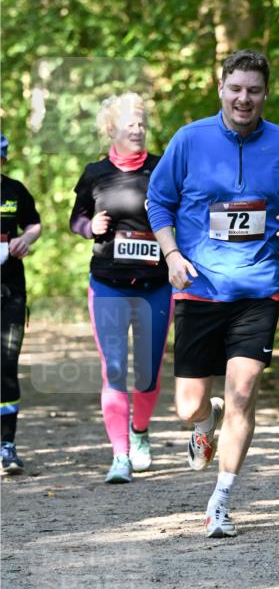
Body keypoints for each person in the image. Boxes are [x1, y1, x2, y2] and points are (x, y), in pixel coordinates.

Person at [147, 49, 279, 539]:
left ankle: (221, 500)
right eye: (236, 88)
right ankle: (204, 427)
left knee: (242, 394)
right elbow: (158, 201)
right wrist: (172, 255)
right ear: (220, 88)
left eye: (254, 90)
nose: (244, 98)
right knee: (187, 406)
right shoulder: (189, 140)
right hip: (200, 288)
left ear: (266, 94)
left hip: (256, 288)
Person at [70, 93, 172, 484]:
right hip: (108, 282)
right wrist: (89, 227)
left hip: (154, 285)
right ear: (111, 129)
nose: (138, 129)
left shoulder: (161, 169)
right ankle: (120, 456)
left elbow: (183, 211)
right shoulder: (95, 172)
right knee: (113, 369)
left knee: (147, 371)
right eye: (131, 123)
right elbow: (75, 219)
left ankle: (140, 431)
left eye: (143, 123)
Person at [1, 134, 42, 473]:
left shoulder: (14, 190)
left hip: (10, 293)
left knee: (6, 366)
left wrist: (27, 237)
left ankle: (7, 445)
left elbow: (34, 223)